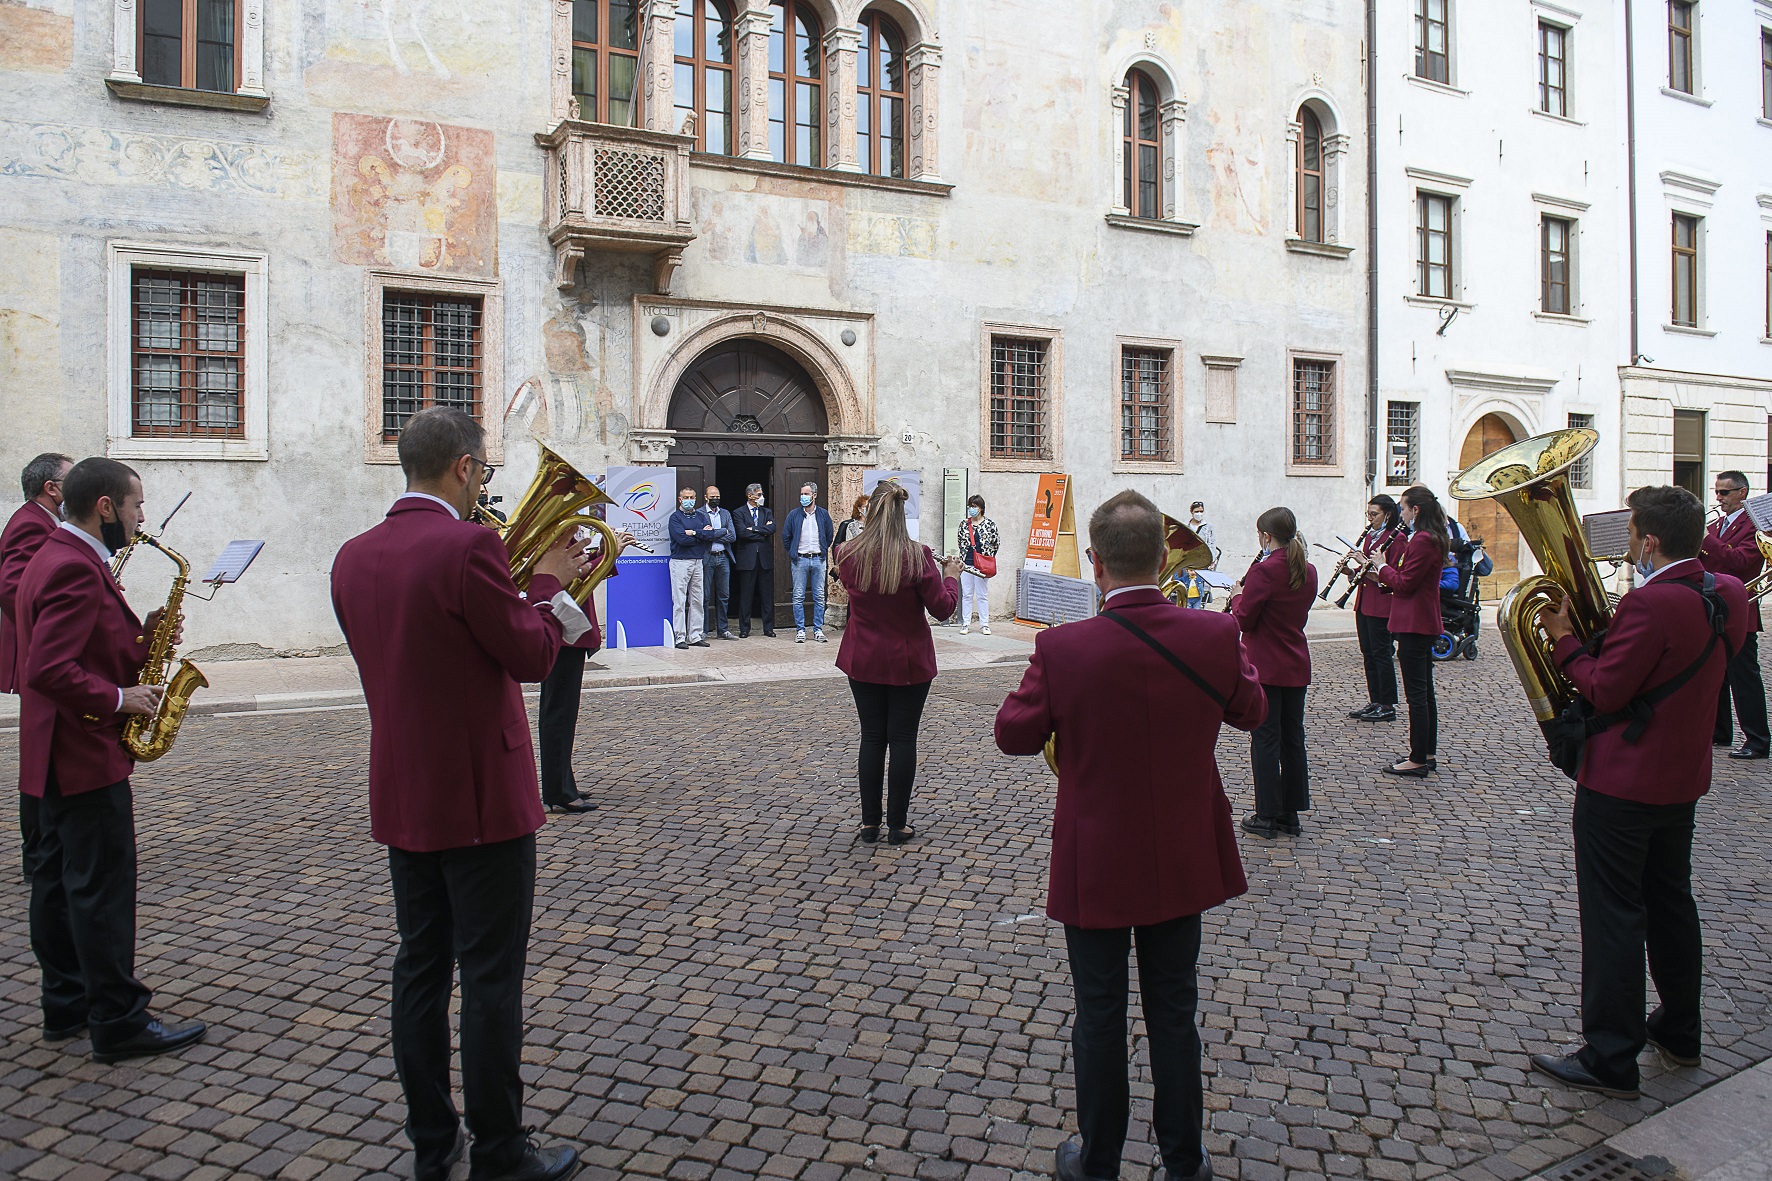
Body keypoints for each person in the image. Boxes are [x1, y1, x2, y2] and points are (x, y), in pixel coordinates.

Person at [331, 409, 589, 1181]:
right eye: (485, 472)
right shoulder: (470, 544)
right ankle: (502, 1151)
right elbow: (532, 655)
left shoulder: (352, 556)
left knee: (418, 967)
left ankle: (431, 1140)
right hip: (481, 796)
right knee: (488, 978)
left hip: (405, 789)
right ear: (466, 469)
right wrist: (547, 584)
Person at [995, 490, 1265, 1181]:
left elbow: (1014, 735)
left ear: (1096, 562)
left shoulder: (1061, 646)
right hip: (1181, 852)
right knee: (1176, 1010)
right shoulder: (1214, 634)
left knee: (1100, 1014)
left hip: (1097, 854)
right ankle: (1184, 1159)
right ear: (1162, 557)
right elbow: (1253, 710)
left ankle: (1100, 1158)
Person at [1530, 485, 1749, 1100]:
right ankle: (1680, 1030)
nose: (1629, 544)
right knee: (1672, 902)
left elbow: (1604, 690)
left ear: (1649, 541)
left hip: (1621, 783)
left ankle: (1610, 1056)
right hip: (1682, 779)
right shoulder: (1728, 594)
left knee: (1613, 916)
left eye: (1631, 534)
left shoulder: (1648, 606)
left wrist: (1566, 640)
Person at [16, 456, 207, 1063]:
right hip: (82, 752)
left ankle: (67, 1004)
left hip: (51, 752)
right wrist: (122, 697)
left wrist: (139, 638)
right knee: (99, 888)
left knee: (56, 885)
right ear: (106, 508)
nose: (141, 518)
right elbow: (47, 668)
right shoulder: (74, 566)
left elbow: (78, 645)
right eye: (136, 506)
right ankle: (119, 1020)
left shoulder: (56, 555)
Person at [834, 483, 961, 845]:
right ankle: (897, 824)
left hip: (864, 656)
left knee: (872, 737)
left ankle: (869, 823)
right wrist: (950, 574)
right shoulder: (917, 556)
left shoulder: (846, 553)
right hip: (908, 659)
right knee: (903, 738)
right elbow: (943, 608)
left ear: (870, 511)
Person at [1229, 508, 1318, 839]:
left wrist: (1238, 596)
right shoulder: (1307, 570)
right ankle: (1290, 814)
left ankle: (1266, 814)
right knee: (1293, 739)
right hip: (1295, 662)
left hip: (1266, 664)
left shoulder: (1264, 572)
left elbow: (1244, 619)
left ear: (1266, 537)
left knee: (1265, 739)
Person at [4, 452, 72, 880]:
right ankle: (41, 854)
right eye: (73, 479)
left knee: (46, 756)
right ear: (52, 488)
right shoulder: (32, 521)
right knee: (42, 757)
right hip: (40, 653)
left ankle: (48, 849)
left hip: (41, 650)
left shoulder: (44, 521)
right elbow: (13, 586)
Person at [538, 527, 634, 815]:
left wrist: (607, 552)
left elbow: (580, 569)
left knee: (563, 713)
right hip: (564, 631)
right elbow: (570, 576)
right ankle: (557, 791)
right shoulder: (555, 535)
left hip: (569, 630)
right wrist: (610, 552)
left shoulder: (562, 534)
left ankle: (563, 783)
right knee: (559, 713)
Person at [1374, 485, 1447, 777]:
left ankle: (1417, 757)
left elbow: (1405, 583)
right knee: (1424, 693)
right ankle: (1426, 752)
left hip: (1415, 623)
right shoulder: (1431, 538)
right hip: (1420, 620)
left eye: (1403, 508)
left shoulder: (1423, 540)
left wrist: (1381, 567)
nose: (1401, 514)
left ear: (1415, 510)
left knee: (1417, 695)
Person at [1700, 470, 1767, 760]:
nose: (1718, 498)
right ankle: (1720, 732)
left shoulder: (1756, 526)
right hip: (1712, 605)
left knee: (1745, 677)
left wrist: (1707, 540)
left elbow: (1740, 562)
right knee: (1716, 672)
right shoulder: (1716, 525)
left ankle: (1758, 740)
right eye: (1716, 492)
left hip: (1740, 608)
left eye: (1724, 492)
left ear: (1742, 493)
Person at [1348, 495, 1404, 723]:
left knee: (1382, 654)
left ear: (1387, 515)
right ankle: (1375, 700)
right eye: (1368, 514)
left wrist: (1364, 563)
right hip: (1364, 602)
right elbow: (1367, 573)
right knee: (1368, 653)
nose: (1370, 519)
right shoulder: (1371, 537)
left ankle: (1387, 704)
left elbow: (1388, 574)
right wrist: (1351, 572)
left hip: (1381, 604)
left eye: (1374, 514)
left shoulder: (1396, 539)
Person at [781, 480, 833, 643]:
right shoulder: (794, 515)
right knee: (798, 596)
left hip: (818, 559)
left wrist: (823, 548)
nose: (803, 497)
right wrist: (793, 552)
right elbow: (786, 536)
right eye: (802, 494)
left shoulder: (823, 514)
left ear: (814, 495)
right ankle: (800, 630)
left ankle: (818, 629)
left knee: (819, 596)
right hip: (800, 560)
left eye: (806, 494)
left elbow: (829, 535)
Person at [668, 486, 716, 649]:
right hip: (680, 562)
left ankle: (695, 635)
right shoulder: (675, 518)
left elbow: (710, 535)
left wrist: (693, 533)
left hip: (698, 561)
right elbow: (681, 539)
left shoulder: (702, 516)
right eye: (686, 497)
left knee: (697, 599)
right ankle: (679, 637)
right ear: (680, 499)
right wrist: (700, 534)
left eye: (692, 497)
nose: (689, 500)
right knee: (680, 601)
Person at [732, 483, 776, 637]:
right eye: (758, 494)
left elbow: (772, 529)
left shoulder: (767, 511)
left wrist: (755, 529)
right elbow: (742, 533)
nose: (761, 497)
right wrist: (762, 532)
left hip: (764, 558)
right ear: (749, 496)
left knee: (766, 594)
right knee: (746, 594)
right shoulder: (739, 513)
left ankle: (768, 627)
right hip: (747, 559)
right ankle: (744, 628)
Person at [957, 494, 998, 634]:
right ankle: (965, 624)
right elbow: (960, 542)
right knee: (967, 594)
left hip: (982, 566)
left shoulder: (990, 525)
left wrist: (987, 558)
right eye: (970, 506)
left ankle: (984, 624)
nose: (971, 509)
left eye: (974, 506)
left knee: (982, 594)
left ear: (980, 508)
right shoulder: (964, 524)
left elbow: (995, 543)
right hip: (967, 564)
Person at [700, 485, 738, 641]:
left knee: (724, 595)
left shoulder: (725, 513)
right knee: (705, 596)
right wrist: (722, 532)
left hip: (723, 557)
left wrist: (713, 534)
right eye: (712, 496)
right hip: (707, 557)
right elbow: (702, 536)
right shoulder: (699, 514)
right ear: (706, 497)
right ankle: (703, 630)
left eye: (717, 496)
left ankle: (723, 629)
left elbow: (733, 536)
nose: (715, 499)